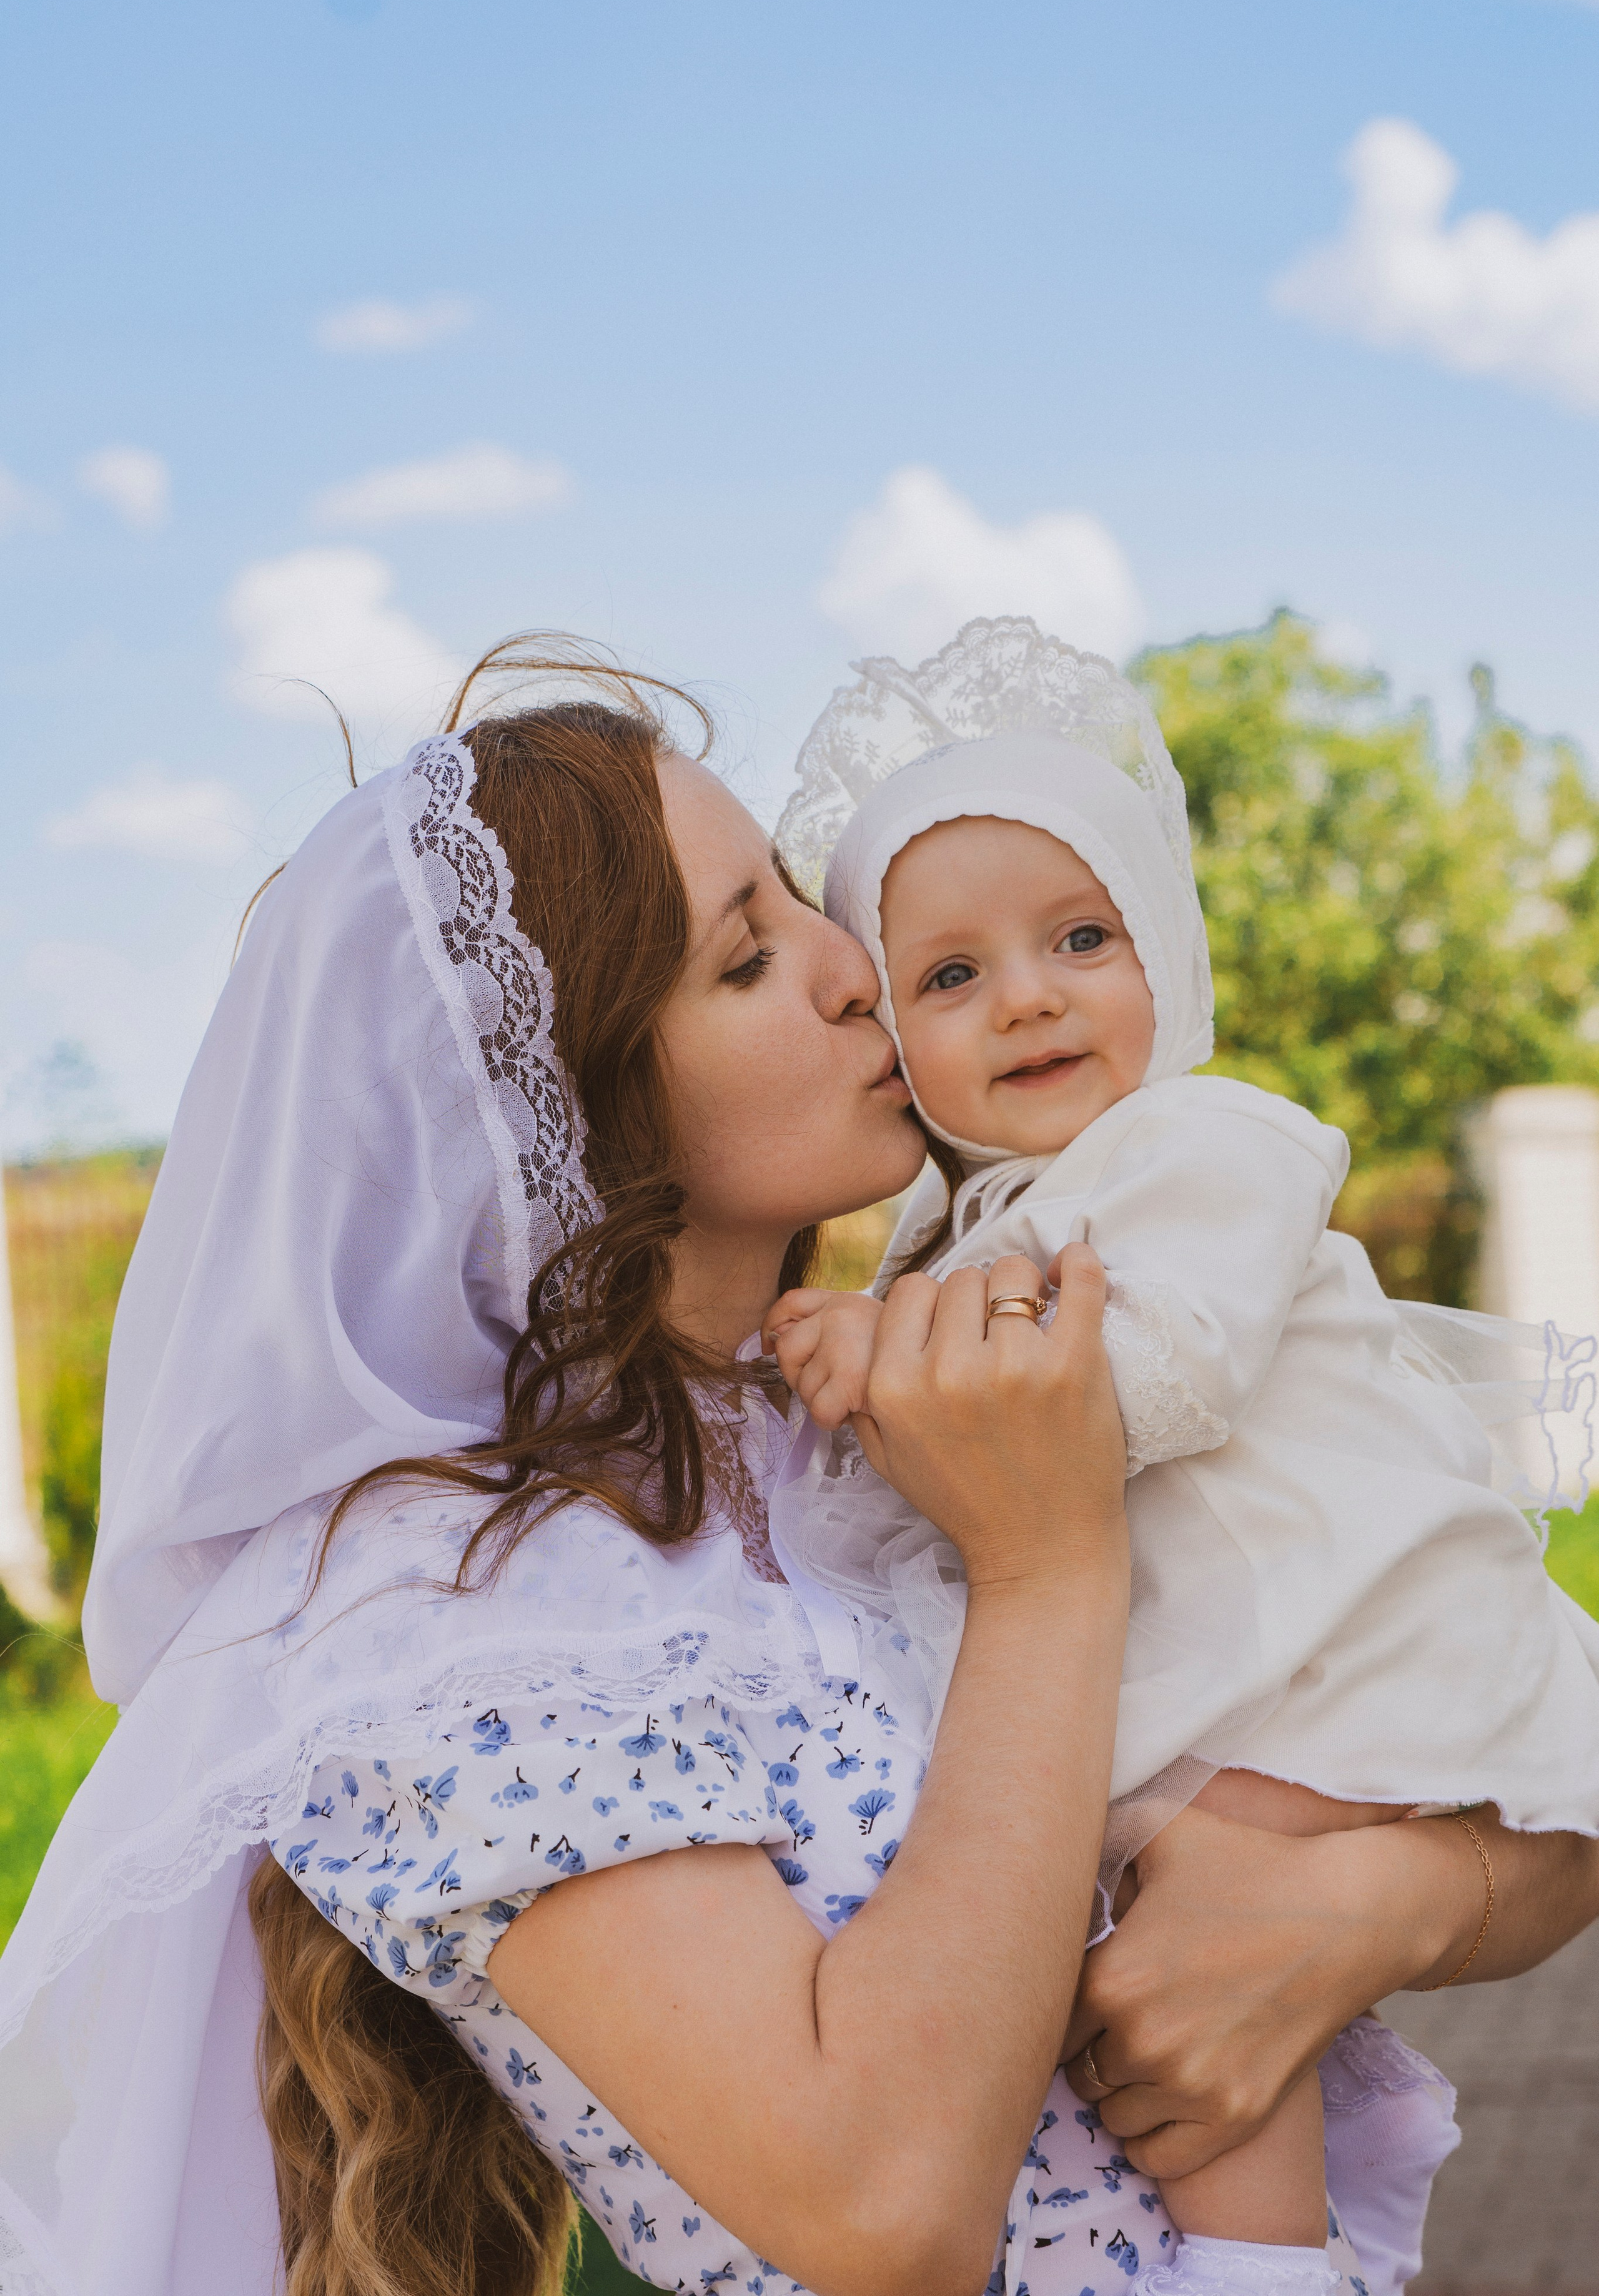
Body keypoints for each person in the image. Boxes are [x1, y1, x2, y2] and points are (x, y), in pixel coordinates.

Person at [0, 644, 1594, 2296]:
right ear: (576, 1098)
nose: (857, 969)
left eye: (795, 898)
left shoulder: (856, 1420)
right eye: (747, 955)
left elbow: (1494, 1716)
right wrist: (1051, 1569)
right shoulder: (448, 1601)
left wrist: (1382, 1909)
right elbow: (882, 2211)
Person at [763, 615, 1599, 2292]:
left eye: (1083, 934)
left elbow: (1172, 1373)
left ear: (1168, 953)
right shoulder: (960, 1225)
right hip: (1235, 1671)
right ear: (895, 1042)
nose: (1029, 996)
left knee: (1194, 1931)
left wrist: (892, 1366)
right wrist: (885, 1328)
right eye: (950, 975)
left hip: (1337, 1647)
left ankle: (1262, 2265)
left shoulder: (1209, 1141)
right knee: (1181, 1951)